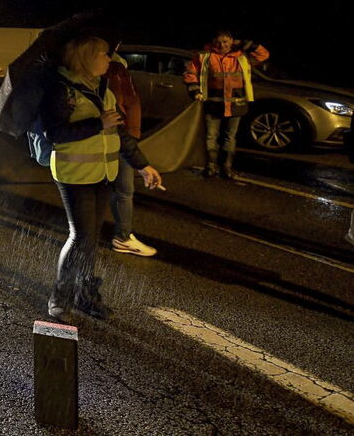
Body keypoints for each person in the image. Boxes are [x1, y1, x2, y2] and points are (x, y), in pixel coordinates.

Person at [39, 36, 163, 322]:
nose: (110, 59)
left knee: (91, 239)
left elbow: (118, 132)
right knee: (80, 236)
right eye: (105, 55)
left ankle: (85, 296)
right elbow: (55, 134)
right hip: (74, 174)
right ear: (87, 57)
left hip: (102, 174)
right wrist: (98, 124)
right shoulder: (61, 89)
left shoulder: (102, 88)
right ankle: (60, 298)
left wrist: (143, 166)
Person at [184, 30, 269, 179]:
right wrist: (195, 91)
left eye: (225, 41)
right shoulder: (204, 56)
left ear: (231, 41)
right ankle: (210, 167)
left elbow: (263, 54)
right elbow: (190, 73)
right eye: (218, 42)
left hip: (236, 105)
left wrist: (243, 43)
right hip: (213, 105)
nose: (222, 45)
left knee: (230, 137)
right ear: (213, 42)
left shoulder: (242, 56)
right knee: (211, 136)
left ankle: (226, 168)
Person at [105, 46, 157, 257]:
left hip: (119, 141)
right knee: (119, 191)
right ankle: (122, 238)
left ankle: (121, 237)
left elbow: (125, 112)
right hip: (100, 149)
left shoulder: (115, 69)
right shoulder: (108, 73)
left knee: (120, 190)